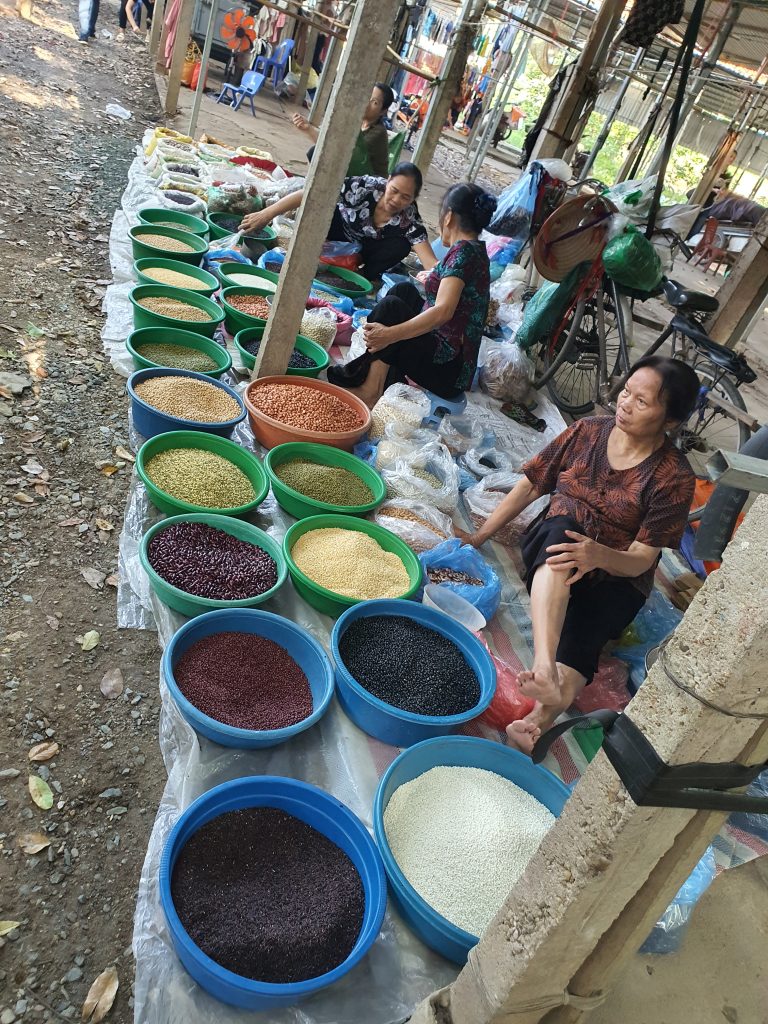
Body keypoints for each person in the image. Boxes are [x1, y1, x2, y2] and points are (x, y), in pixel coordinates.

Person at [460, 356, 699, 755]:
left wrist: (600, 554)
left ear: (670, 421)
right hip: (559, 546)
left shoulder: (674, 477)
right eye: (626, 392)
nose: (625, 404)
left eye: (642, 402)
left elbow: (642, 558)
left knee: (584, 640)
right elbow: (530, 485)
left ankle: (532, 724)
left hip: (619, 571)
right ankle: (543, 666)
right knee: (564, 532)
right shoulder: (588, 431)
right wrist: (478, 535)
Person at [326, 182, 495, 407]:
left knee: (392, 309)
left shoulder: (464, 253)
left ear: (449, 217)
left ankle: (370, 390)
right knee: (402, 291)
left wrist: (391, 334)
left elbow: (443, 311)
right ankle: (374, 372)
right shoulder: (474, 249)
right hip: (445, 352)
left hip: (448, 370)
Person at [239, 162, 437, 282]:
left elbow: (429, 261)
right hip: (339, 230)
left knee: (401, 246)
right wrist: (266, 214)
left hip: (365, 251)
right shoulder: (365, 187)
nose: (396, 200)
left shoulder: (409, 216)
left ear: (413, 198)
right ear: (389, 179)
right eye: (394, 190)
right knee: (325, 205)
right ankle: (311, 254)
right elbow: (313, 193)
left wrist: (446, 280)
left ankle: (360, 278)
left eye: (406, 197)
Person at [293, 82, 395, 177]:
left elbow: (341, 152)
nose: (367, 104)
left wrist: (310, 130)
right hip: (354, 170)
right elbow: (333, 140)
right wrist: (308, 128)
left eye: (375, 102)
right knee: (315, 152)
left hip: (369, 184)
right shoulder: (357, 122)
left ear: (383, 111)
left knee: (327, 154)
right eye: (367, 97)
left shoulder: (378, 133)